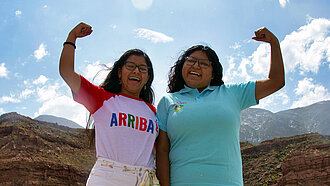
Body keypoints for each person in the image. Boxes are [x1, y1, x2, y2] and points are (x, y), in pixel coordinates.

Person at [156, 27, 285, 185]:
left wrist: (274, 43)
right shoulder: (168, 100)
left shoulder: (232, 93)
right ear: (182, 66)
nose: (196, 66)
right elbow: (162, 150)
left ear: (213, 73)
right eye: (190, 60)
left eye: (203, 63)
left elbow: (276, 81)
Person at [59, 22, 159, 186]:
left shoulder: (154, 112)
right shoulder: (101, 98)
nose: (136, 71)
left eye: (142, 68)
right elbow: (66, 71)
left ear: (147, 77)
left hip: (145, 179)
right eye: (131, 66)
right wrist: (72, 37)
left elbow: (162, 152)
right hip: (106, 179)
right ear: (119, 72)